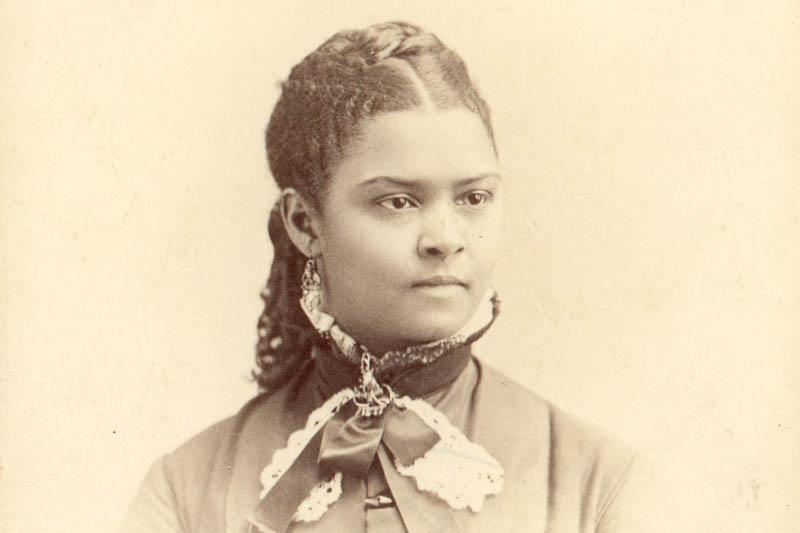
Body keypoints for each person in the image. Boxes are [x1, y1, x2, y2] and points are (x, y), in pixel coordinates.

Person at [122, 21, 667, 533]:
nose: (446, 238)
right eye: (398, 201)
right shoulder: (186, 490)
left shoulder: (597, 483)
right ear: (304, 223)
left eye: (474, 198)